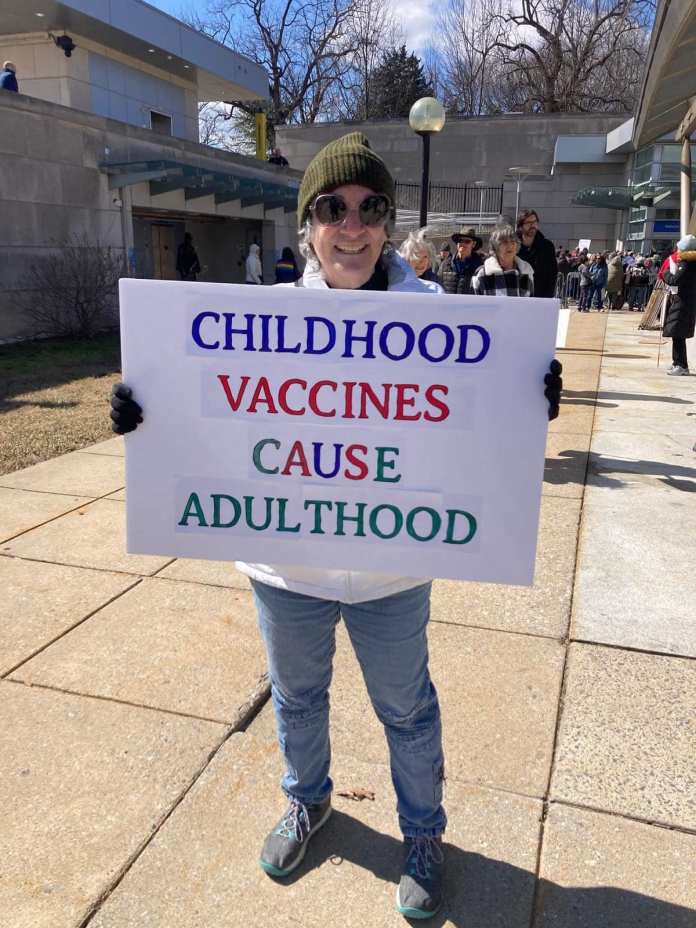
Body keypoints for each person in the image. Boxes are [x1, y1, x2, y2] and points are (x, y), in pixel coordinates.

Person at [109, 131, 563, 921]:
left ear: (387, 223)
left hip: (391, 574)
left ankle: (423, 834)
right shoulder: (265, 320)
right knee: (297, 696)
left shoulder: (440, 320)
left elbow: (471, 422)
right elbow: (210, 410)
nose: (351, 225)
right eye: (332, 209)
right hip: (287, 570)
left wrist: (527, 397)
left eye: (368, 208)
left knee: (407, 709)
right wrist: (146, 412)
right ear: (307, 224)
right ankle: (308, 803)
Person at [662, 234, 696, 375]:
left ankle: (681, 365)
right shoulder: (690, 262)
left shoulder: (687, 263)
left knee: (677, 332)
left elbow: (676, 280)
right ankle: (677, 362)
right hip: (687, 300)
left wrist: (666, 274)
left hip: (683, 301)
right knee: (676, 332)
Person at [472, 221, 535, 296]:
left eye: (513, 242)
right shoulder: (482, 273)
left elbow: (530, 303)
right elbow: (475, 305)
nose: (510, 246)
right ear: (495, 247)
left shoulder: (527, 271)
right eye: (505, 242)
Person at [516, 210, 557, 298]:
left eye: (535, 222)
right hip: (518, 297)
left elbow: (552, 274)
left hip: (541, 297)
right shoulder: (513, 245)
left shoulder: (547, 246)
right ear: (520, 226)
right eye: (529, 222)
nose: (533, 225)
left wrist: (548, 298)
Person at [438, 227, 483, 294]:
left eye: (467, 241)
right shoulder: (445, 264)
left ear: (473, 244)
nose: (463, 244)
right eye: (460, 240)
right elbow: (438, 287)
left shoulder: (480, 267)